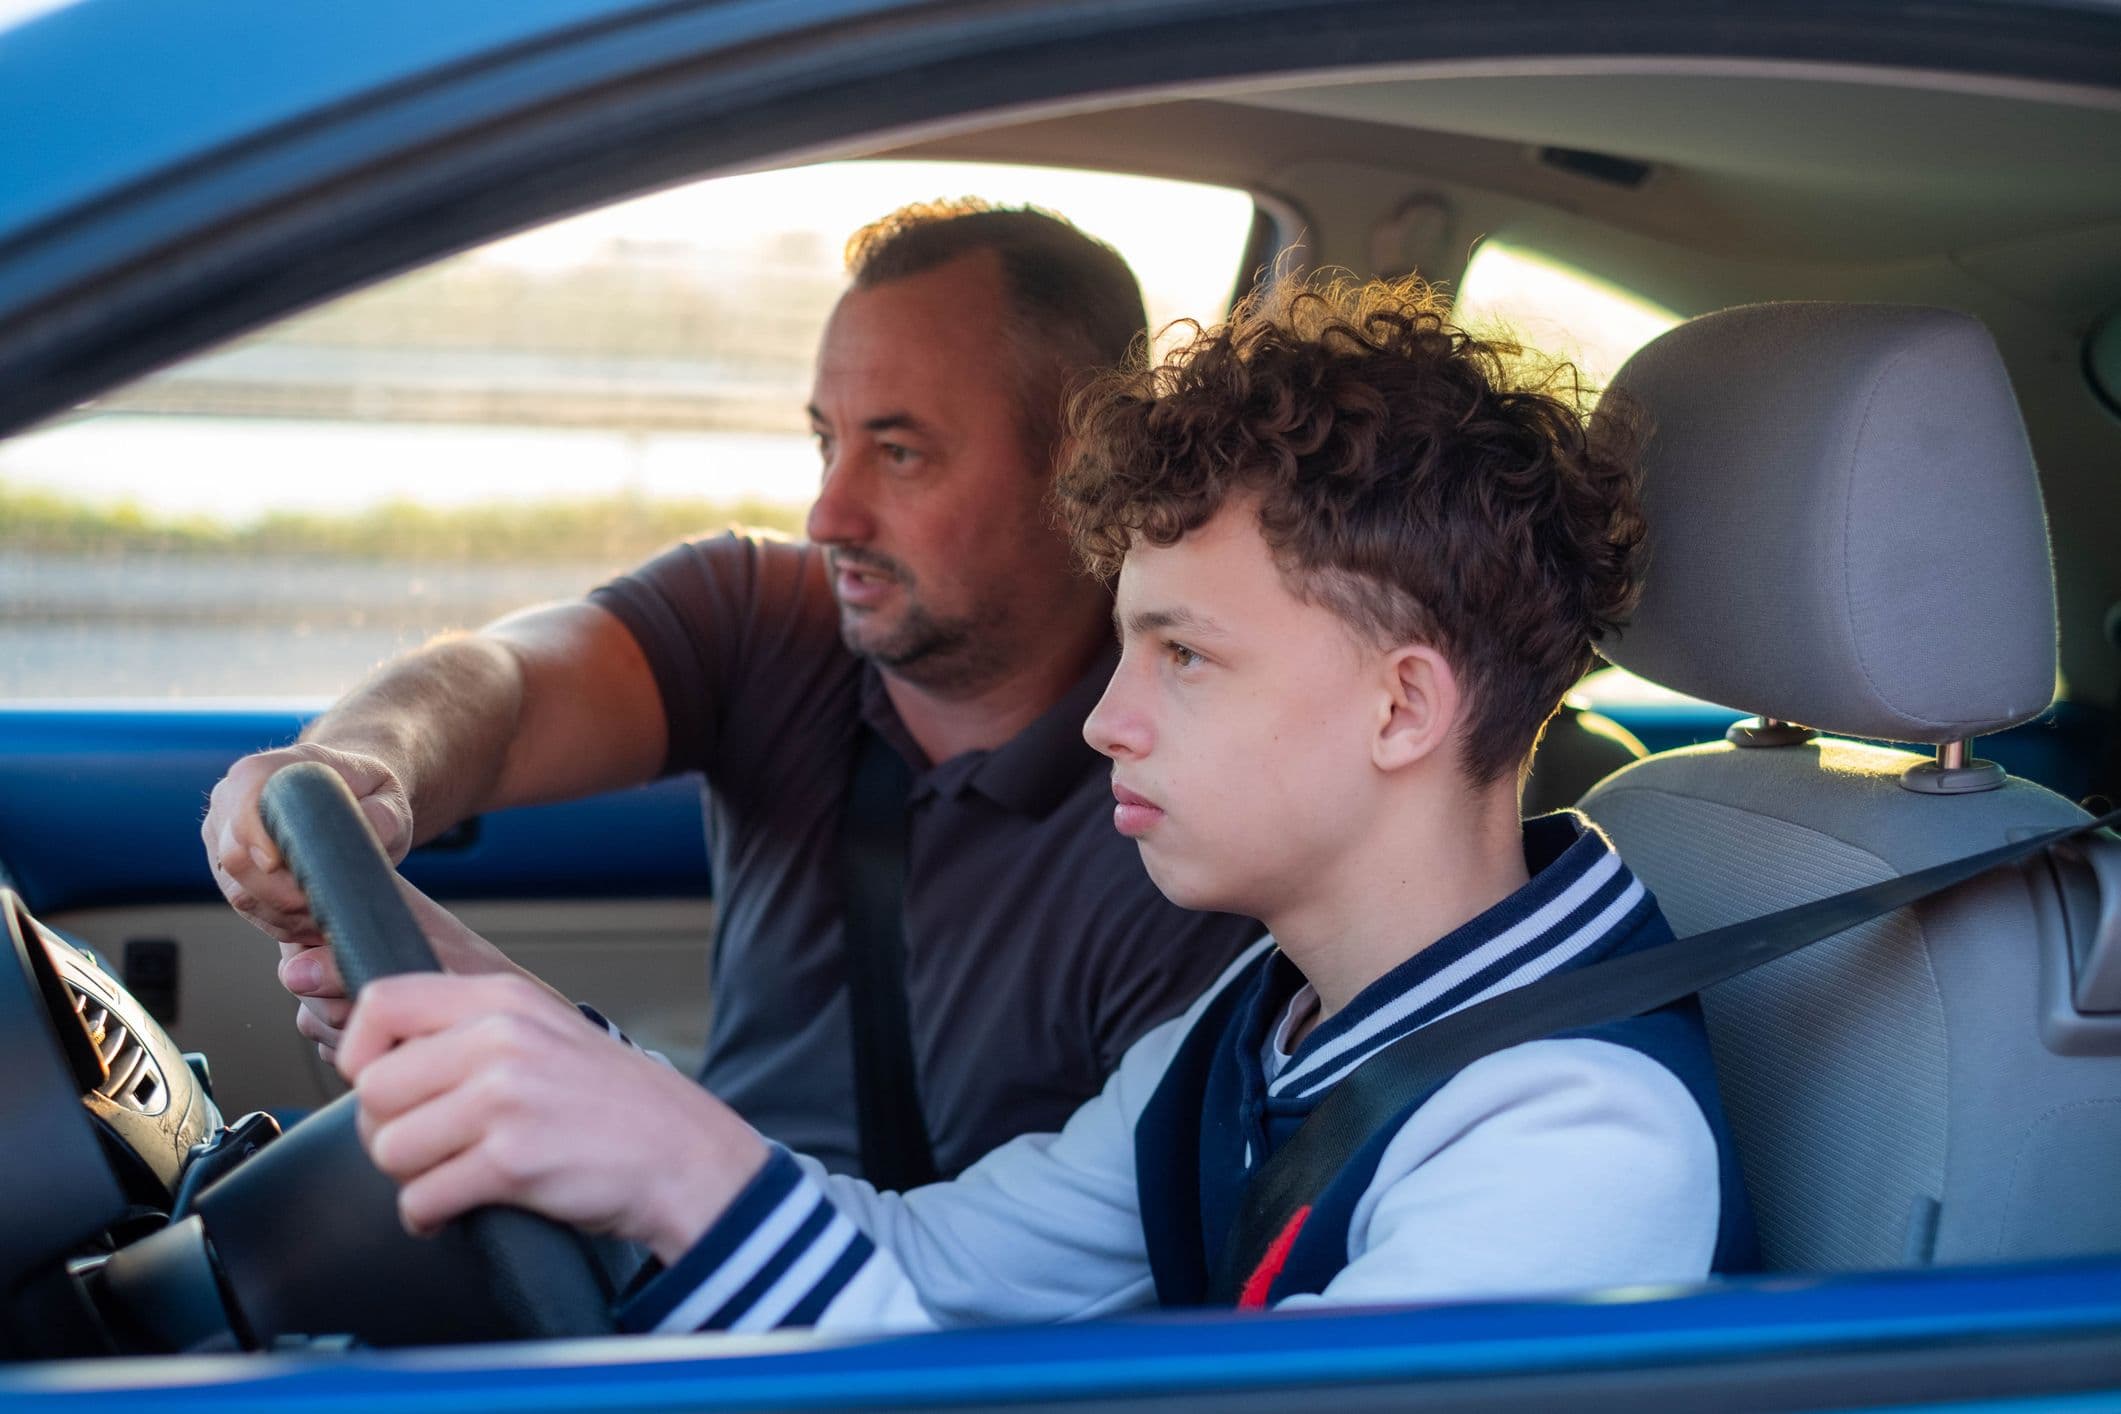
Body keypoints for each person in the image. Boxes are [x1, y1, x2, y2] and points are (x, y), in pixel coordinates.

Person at [331, 273, 1756, 1331]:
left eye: (1185, 655)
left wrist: (686, 1172)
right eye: (1128, 639)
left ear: (1403, 706)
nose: (1103, 719)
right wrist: (549, 1060)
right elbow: (941, 1270)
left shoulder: (1568, 1137)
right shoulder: (1265, 1017)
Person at [200, 201, 1262, 1179]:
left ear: (1083, 461)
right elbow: (507, 679)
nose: (828, 513)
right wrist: (360, 764)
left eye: (897, 451)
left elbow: (1073, 1281)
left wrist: (570, 1075)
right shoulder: (769, 617)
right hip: (669, 1268)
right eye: (824, 440)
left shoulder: (1183, 811)